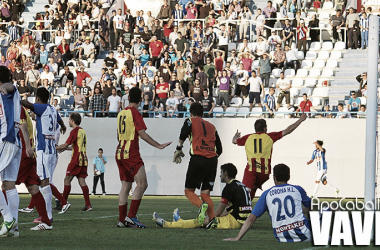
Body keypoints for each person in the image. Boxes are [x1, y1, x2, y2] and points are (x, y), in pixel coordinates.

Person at [116, 87, 171, 228]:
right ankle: (131, 217)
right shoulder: (136, 113)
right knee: (142, 184)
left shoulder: (121, 113)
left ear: (128, 99)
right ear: (140, 99)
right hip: (131, 153)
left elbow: (118, 136)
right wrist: (158, 145)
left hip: (120, 152)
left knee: (125, 186)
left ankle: (122, 220)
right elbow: (142, 133)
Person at [223, 164, 312, 242]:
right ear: (289, 177)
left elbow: (251, 218)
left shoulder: (267, 194)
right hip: (305, 234)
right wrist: (300, 211)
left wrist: (238, 237)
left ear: (274, 177)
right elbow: (311, 207)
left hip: (282, 237)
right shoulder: (298, 189)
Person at [153, 163, 252, 229]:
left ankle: (167, 224)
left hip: (236, 222)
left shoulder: (229, 188)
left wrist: (210, 218)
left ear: (225, 173)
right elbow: (231, 209)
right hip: (244, 220)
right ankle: (179, 221)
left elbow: (218, 212)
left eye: (221, 172)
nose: (220, 175)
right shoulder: (240, 185)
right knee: (207, 219)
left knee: (201, 222)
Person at [232, 113, 307, 200]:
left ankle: (238, 206)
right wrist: (301, 119)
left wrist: (236, 136)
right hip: (264, 172)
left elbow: (234, 141)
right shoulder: (270, 136)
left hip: (251, 170)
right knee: (251, 191)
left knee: (244, 193)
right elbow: (288, 130)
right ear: (264, 128)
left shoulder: (248, 138)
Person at [21, 88, 68, 226]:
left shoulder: (42, 107)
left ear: (37, 98)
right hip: (52, 150)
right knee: (45, 182)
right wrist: (63, 125)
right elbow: (60, 121)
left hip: (43, 149)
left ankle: (47, 216)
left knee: (44, 182)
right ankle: (47, 215)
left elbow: (28, 105)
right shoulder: (53, 109)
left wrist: (16, 99)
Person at [173, 102, 222, 223]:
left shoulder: (190, 120)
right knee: (205, 194)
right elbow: (219, 149)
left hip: (198, 158)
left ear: (191, 113)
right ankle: (211, 220)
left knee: (188, 191)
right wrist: (210, 158)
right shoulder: (212, 126)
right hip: (212, 160)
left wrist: (178, 148)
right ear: (202, 113)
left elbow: (184, 133)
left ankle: (201, 206)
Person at [0, 66, 22, 236]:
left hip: (6, 140)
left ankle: (7, 218)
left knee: (8, 184)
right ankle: (13, 227)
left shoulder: (9, 89)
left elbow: (9, 87)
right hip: (15, 141)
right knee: (9, 184)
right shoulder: (12, 94)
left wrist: (4, 86)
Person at [56, 112, 92, 211]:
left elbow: (65, 144)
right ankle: (88, 205)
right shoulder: (82, 131)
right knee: (82, 181)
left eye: (69, 119)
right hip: (83, 159)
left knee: (67, 180)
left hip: (76, 159)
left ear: (72, 120)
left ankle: (64, 204)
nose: (68, 121)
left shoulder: (74, 131)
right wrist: (62, 149)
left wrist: (54, 148)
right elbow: (75, 147)